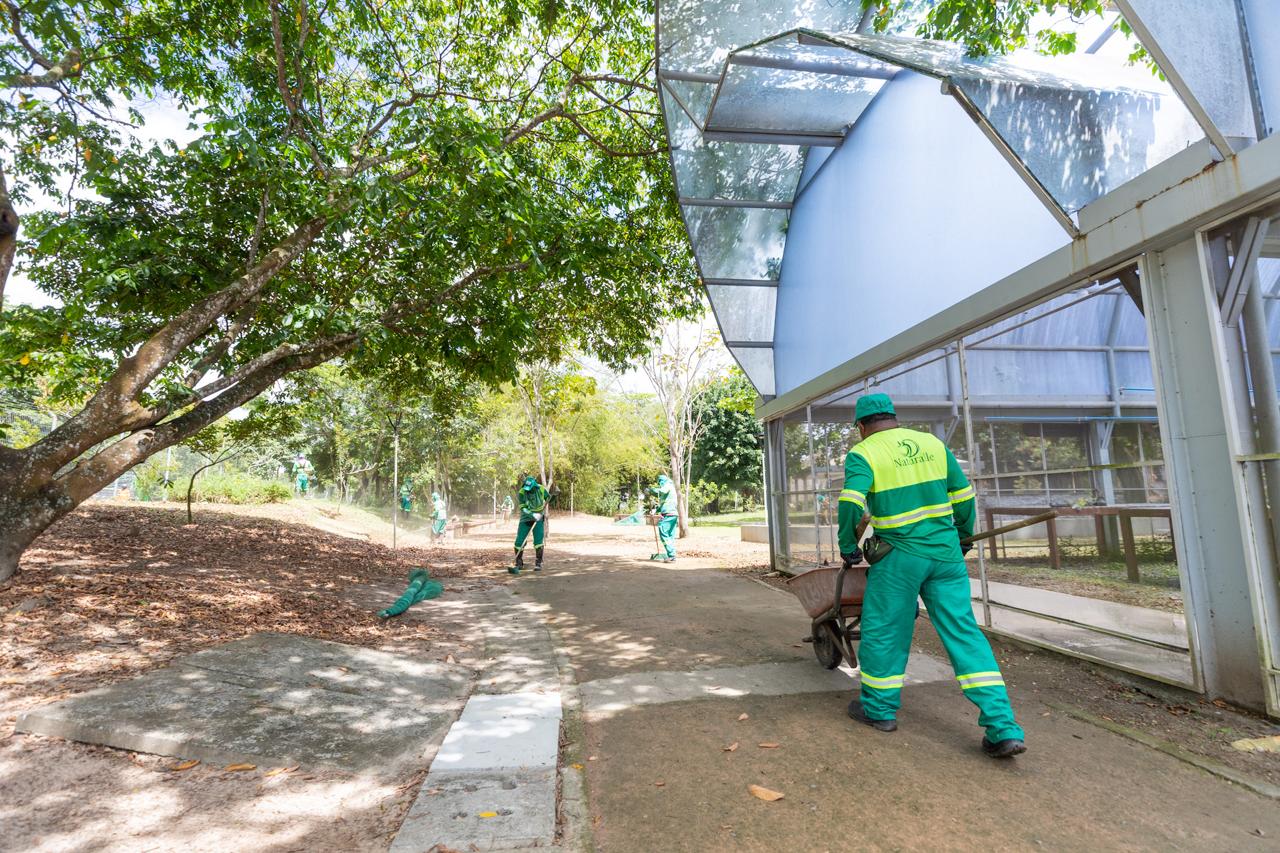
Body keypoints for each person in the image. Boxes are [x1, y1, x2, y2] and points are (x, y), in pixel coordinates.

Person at [838, 393, 1026, 759]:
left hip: (899, 560)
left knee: (885, 631)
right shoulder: (933, 445)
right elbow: (963, 494)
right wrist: (962, 536)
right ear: (893, 418)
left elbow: (850, 502)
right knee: (964, 634)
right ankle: (1003, 726)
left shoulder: (864, 453)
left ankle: (879, 711)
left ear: (862, 427)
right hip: (946, 556)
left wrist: (848, 544)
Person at [510, 475, 552, 574]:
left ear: (534, 486)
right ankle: (519, 562)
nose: (528, 490)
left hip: (539, 518)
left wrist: (551, 498)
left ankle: (538, 563)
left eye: (530, 488)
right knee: (519, 541)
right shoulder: (522, 492)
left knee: (538, 541)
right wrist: (532, 514)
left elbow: (548, 498)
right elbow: (522, 507)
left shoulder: (541, 489)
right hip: (526, 518)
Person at [648, 474, 678, 563]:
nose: (660, 484)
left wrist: (651, 490)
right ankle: (671, 555)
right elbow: (663, 504)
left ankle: (672, 556)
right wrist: (655, 511)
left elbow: (662, 491)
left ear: (662, 481)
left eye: (660, 482)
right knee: (670, 536)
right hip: (672, 515)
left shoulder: (668, 485)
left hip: (668, 515)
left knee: (663, 534)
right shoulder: (668, 490)